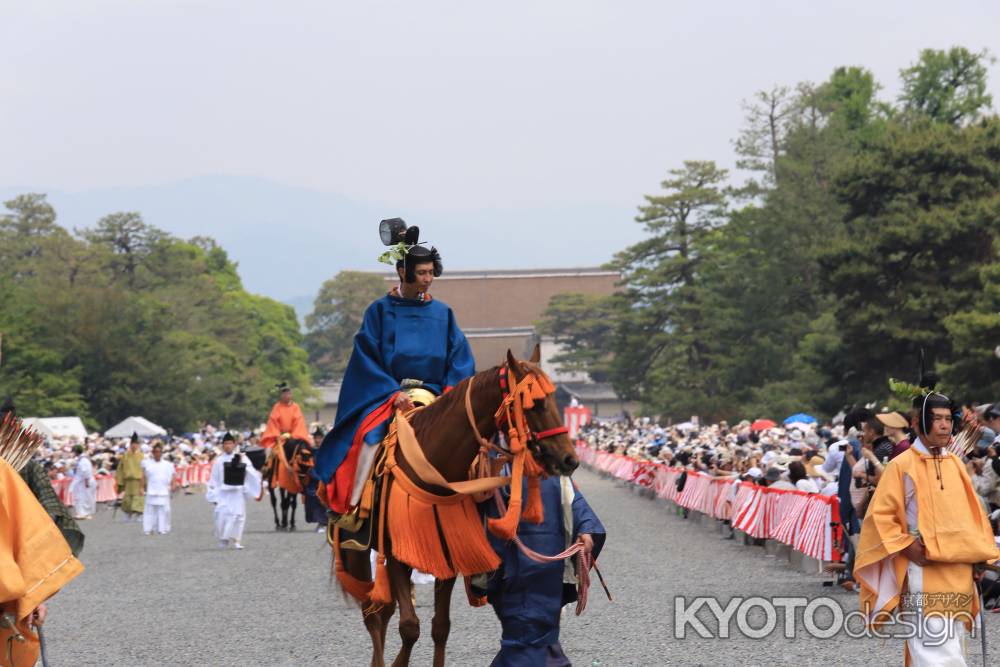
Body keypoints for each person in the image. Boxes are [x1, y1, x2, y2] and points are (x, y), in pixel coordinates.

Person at [314, 218, 475, 516]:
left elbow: (460, 358)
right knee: (368, 441)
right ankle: (356, 508)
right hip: (390, 397)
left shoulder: (443, 313)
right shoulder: (378, 311)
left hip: (437, 397)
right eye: (422, 273)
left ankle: (483, 512)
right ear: (403, 272)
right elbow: (366, 358)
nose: (428, 279)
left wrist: (451, 396)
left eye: (431, 273)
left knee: (476, 447)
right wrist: (391, 392)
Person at [855, 389, 1000, 664]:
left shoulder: (955, 463)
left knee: (953, 649)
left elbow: (972, 517)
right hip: (922, 571)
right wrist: (908, 547)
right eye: (937, 419)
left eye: (948, 419)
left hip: (958, 572)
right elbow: (880, 518)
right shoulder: (901, 466)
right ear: (917, 422)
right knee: (936, 654)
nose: (945, 425)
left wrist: (978, 558)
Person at [484, 475, 606, 666]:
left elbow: (575, 501)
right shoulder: (502, 466)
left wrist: (585, 528)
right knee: (530, 639)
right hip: (514, 570)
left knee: (534, 640)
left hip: (550, 573)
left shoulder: (555, 472)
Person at [205, 432, 262, 549]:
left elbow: (251, 472)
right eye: (225, 444)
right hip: (223, 493)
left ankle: (237, 541)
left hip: (237, 492)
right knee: (221, 516)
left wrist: (241, 464)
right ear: (222, 445)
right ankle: (223, 539)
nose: (228, 446)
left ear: (234, 444)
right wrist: (212, 494)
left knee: (238, 516)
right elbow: (214, 479)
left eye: (230, 443)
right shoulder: (218, 461)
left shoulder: (242, 457)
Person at [141, 442, 177, 535]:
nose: (157, 454)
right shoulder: (147, 463)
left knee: (164, 510)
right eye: (155, 452)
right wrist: (141, 487)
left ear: (161, 453)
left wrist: (173, 485)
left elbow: (173, 475)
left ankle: (162, 528)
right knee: (150, 510)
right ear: (152, 453)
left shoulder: (167, 464)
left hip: (164, 490)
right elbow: (143, 476)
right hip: (151, 490)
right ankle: (148, 528)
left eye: (159, 452)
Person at [115, 432, 146, 522]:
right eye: (132, 444)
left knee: (138, 498)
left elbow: (145, 470)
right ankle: (127, 515)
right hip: (128, 481)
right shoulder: (125, 456)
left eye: (136, 444)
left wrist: (145, 483)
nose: (134, 446)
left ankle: (139, 515)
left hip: (139, 481)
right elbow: (120, 469)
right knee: (127, 499)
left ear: (138, 445)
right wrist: (120, 482)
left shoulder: (142, 456)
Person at [69, 443, 97, 520]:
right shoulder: (82, 460)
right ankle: (84, 513)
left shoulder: (83, 460)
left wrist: (86, 481)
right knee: (84, 497)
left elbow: (86, 471)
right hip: (82, 481)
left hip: (84, 481)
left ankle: (83, 513)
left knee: (83, 497)